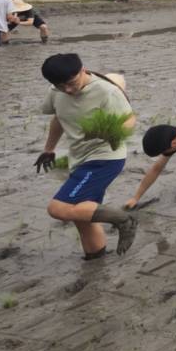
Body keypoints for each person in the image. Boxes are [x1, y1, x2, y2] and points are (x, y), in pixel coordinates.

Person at [34, 53, 138, 259]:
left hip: (105, 158)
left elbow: (129, 121)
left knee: (58, 208)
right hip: (79, 159)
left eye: (72, 83)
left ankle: (124, 220)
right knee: (82, 216)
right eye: (61, 86)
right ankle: (96, 258)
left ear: (83, 70)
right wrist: (49, 149)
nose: (68, 90)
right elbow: (58, 118)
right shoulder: (56, 91)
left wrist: (111, 132)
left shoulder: (106, 91)